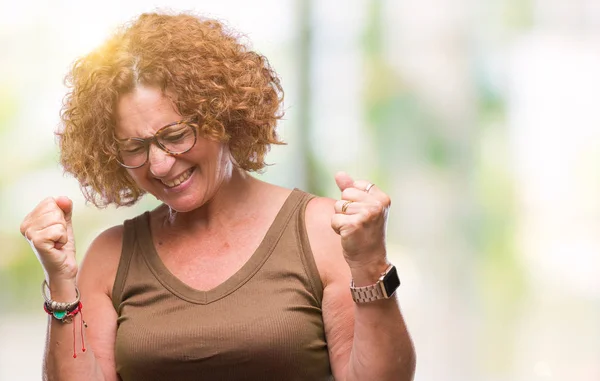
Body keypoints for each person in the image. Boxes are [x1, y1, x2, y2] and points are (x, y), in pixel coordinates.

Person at [20, 11, 415, 381]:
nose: (158, 165)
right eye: (135, 147)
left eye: (175, 136)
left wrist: (369, 263)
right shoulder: (111, 256)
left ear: (223, 115)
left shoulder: (320, 231)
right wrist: (60, 281)